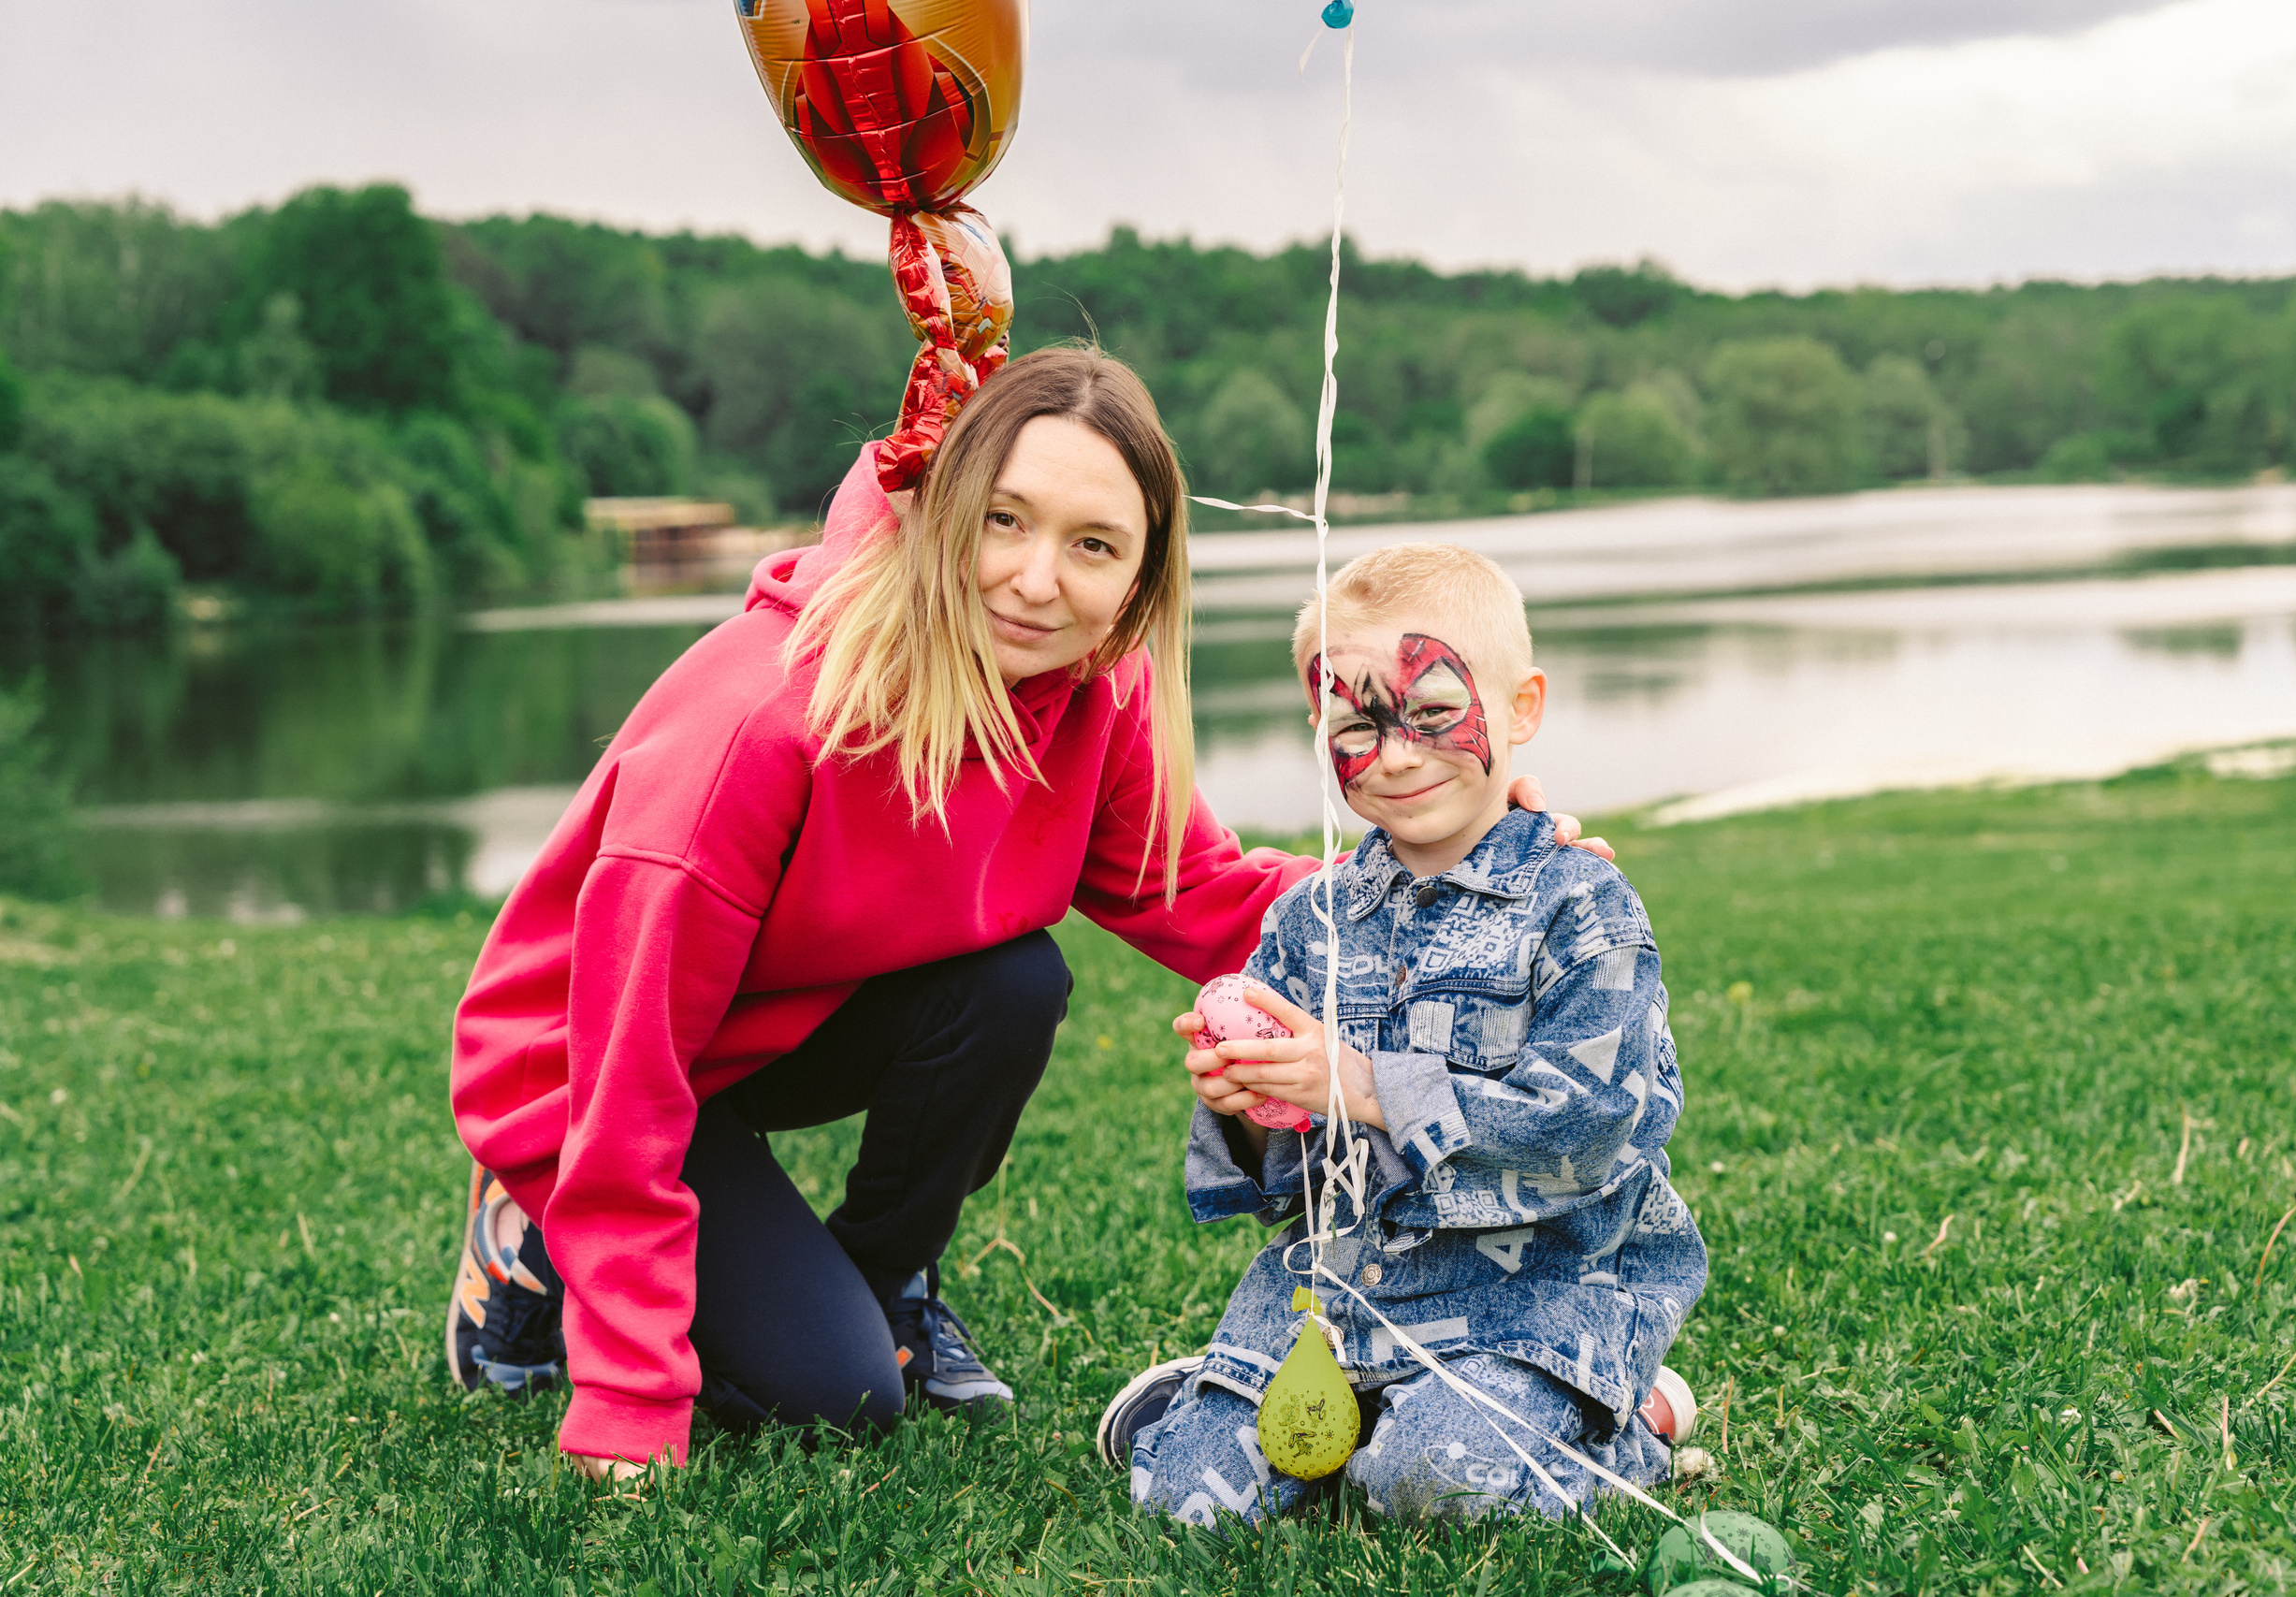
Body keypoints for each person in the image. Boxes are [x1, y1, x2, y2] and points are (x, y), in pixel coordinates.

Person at [442, 346, 1608, 1480]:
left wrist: (1448, 864)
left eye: (1093, 545)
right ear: (943, 509)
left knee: (1011, 986)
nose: (1036, 578)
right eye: (1005, 519)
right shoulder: (762, 718)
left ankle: (879, 1286)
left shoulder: (1099, 693)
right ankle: (528, 1245)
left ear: (1138, 583)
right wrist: (629, 1398)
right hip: (583, 1068)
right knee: (827, 1402)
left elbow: (1196, 894)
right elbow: (627, 1066)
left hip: (778, 1028)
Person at [1095, 542, 1706, 1526]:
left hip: (1538, 1306)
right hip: (1341, 1302)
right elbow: (1284, 1184)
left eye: (1431, 713)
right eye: (1355, 725)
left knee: (1436, 1484)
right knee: (1185, 1505)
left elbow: (1598, 1129)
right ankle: (1228, 1395)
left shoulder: (1579, 904)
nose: (1397, 754)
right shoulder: (1306, 924)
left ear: (1520, 709)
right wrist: (1255, 1105)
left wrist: (1365, 1082)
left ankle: (1627, 1415)